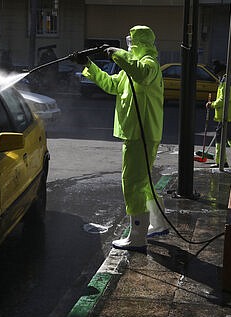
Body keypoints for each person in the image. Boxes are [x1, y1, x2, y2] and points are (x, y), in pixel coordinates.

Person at [72, 25, 167, 253]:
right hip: (138, 133)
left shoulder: (148, 65)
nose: (128, 45)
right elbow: (112, 85)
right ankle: (158, 223)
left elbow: (141, 73)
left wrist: (116, 52)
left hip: (141, 134)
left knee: (132, 183)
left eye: (130, 41)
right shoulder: (130, 68)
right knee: (142, 182)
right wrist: (88, 65)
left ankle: (137, 237)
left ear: (139, 43)